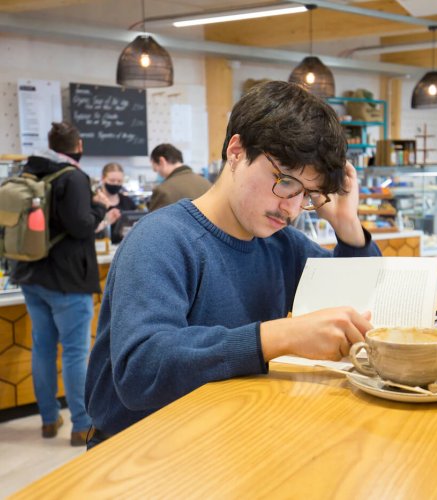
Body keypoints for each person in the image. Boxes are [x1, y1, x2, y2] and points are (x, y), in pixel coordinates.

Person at [85, 81, 381, 447]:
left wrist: (347, 227)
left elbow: (359, 308)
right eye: (285, 182)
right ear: (237, 151)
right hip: (140, 453)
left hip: (229, 438)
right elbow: (141, 371)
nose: (291, 208)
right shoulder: (160, 239)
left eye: (307, 194)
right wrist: (278, 336)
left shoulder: (280, 244)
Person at [11, 121, 109, 447]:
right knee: (75, 352)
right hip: (67, 279)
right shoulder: (73, 177)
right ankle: (81, 425)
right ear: (78, 145)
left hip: (30, 274)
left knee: (42, 347)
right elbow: (81, 226)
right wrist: (100, 209)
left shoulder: (31, 172)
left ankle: (49, 420)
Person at [148, 143, 212, 211]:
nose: (158, 174)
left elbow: (154, 221)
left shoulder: (163, 191)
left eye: (155, 169)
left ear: (161, 161)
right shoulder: (207, 184)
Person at [94, 162, 136, 244]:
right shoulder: (93, 202)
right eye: (112, 181)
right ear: (103, 178)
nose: (116, 184)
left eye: (119, 181)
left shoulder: (128, 202)